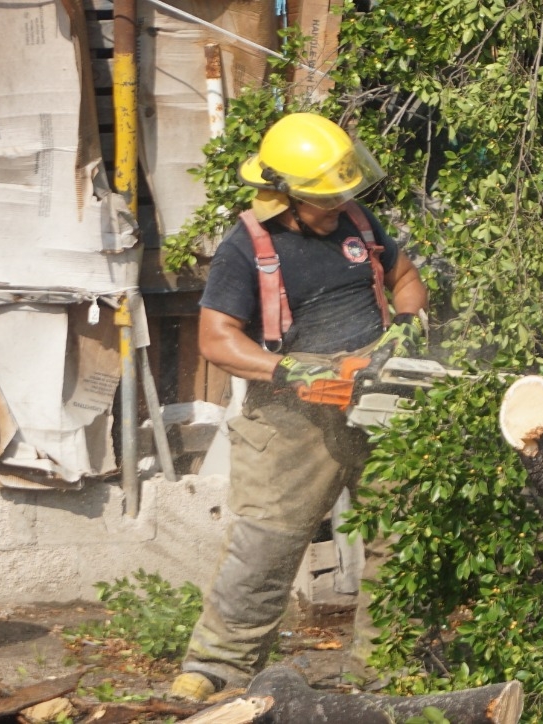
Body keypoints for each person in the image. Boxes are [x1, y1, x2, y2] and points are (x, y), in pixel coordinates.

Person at [170, 112, 428, 701]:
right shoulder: (247, 246)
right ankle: (216, 669)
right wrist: (294, 370)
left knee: (400, 533)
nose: (340, 204)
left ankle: (381, 676)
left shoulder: (357, 222)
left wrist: (404, 331)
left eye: (344, 192)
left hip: (376, 394)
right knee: (267, 541)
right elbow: (216, 339)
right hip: (290, 414)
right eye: (325, 197)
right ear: (284, 195)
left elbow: (406, 278)